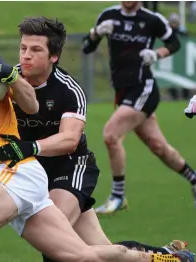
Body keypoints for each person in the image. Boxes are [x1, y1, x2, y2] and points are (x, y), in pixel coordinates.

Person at [0, 29, 194, 262]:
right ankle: (165, 258)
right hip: (11, 179)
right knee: (83, 256)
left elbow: (32, 105)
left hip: (16, 168)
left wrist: (11, 77)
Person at [0, 17, 194, 262]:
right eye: (23, 48)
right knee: (102, 251)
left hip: (71, 168)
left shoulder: (68, 90)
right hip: (34, 173)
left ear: (54, 56)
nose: (26, 56)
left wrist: (30, 147)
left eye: (36, 50)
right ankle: (168, 257)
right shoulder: (7, 83)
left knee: (54, 239)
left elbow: (69, 140)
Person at [82, 1, 196, 214]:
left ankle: (117, 196)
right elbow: (87, 47)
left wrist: (157, 54)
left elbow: (174, 44)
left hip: (144, 88)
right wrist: (95, 32)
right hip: (122, 92)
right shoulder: (108, 15)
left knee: (110, 135)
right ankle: (194, 179)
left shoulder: (152, 20)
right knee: (158, 147)